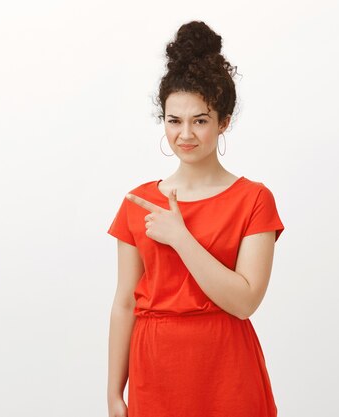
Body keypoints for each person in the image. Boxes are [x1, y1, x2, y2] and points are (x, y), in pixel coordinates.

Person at [106, 21, 285, 417]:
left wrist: (180, 236)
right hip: (155, 372)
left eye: (200, 120)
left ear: (224, 122)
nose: (185, 134)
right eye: (174, 121)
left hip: (226, 373)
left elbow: (244, 301)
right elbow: (123, 304)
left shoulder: (254, 199)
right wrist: (114, 393)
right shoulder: (139, 202)